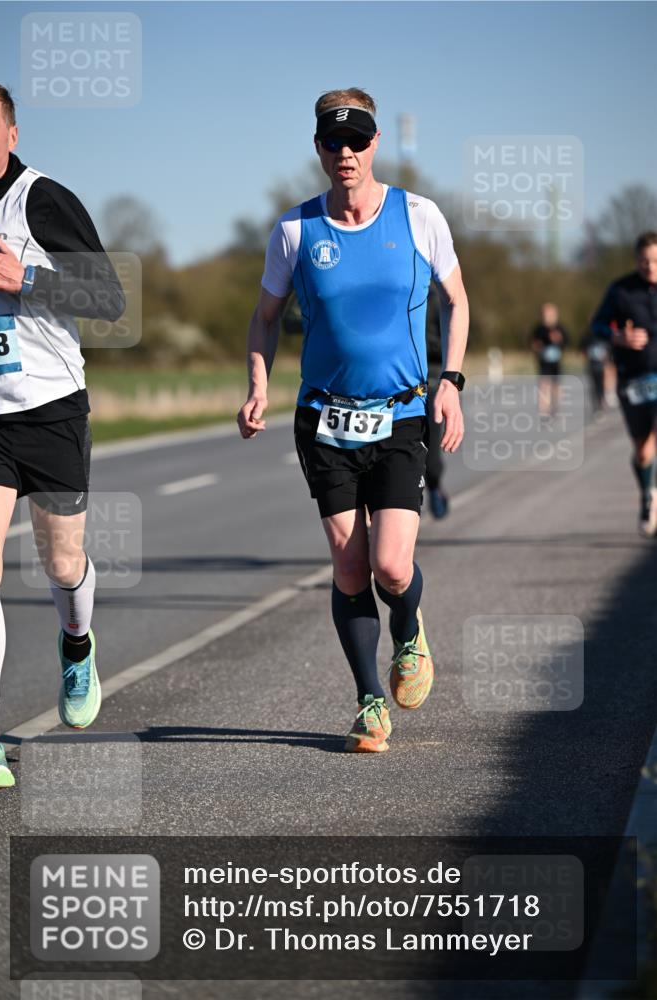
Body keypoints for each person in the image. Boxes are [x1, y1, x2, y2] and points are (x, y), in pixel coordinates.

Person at [237, 88, 468, 753]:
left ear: (375, 144)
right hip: (324, 420)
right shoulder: (294, 230)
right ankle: (368, 702)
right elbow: (264, 316)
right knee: (348, 568)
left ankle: (409, 628)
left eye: (357, 139)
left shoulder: (418, 216)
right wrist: (258, 382)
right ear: (317, 147)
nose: (345, 152)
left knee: (392, 568)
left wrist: (448, 382)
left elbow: (456, 303)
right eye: (331, 141)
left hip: (399, 416)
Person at [0, 82, 125, 787]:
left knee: (60, 561)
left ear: (11, 134)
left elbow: (109, 299)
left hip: (50, 409)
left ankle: (77, 642)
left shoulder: (41, 200)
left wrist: (28, 278)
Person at [591, 232, 657, 537]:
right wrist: (618, 337)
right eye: (645, 261)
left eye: (655, 261)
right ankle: (648, 495)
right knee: (643, 451)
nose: (650, 266)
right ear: (636, 261)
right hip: (634, 379)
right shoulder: (621, 290)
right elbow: (597, 325)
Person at [424, 289, 449, 519]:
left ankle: (434, 487)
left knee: (431, 449)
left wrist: (426, 346)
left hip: (431, 381)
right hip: (396, 384)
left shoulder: (438, 299)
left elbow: (461, 338)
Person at [530, 303, 570, 417]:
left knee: (556, 386)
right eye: (546, 314)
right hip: (543, 362)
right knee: (544, 385)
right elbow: (533, 343)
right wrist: (539, 346)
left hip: (556, 363)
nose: (549, 317)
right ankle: (544, 410)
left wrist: (559, 340)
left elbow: (566, 342)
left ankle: (555, 408)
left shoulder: (560, 328)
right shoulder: (539, 329)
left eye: (551, 314)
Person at [579, 330, 610, 416]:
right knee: (593, 386)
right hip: (591, 365)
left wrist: (607, 360)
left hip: (601, 366)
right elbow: (582, 349)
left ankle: (602, 402)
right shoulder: (587, 337)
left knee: (601, 385)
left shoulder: (603, 335)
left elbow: (608, 349)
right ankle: (595, 405)